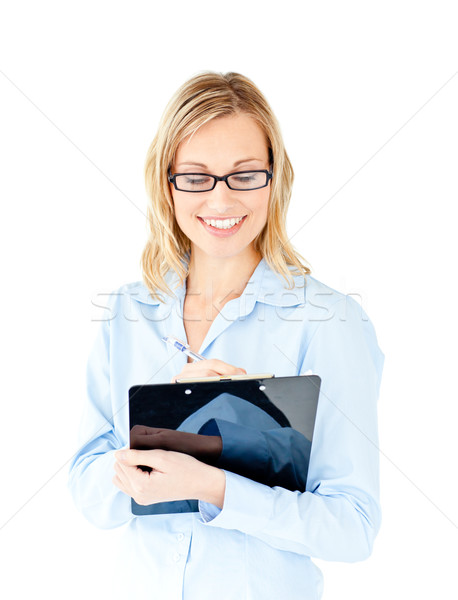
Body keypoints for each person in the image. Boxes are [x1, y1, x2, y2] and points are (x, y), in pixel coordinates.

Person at [67, 71, 385, 599]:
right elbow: (88, 494)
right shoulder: (129, 310)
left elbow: (352, 526)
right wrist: (161, 434)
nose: (220, 200)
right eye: (195, 176)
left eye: (244, 175)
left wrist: (214, 486)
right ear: (165, 184)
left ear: (274, 177)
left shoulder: (330, 321)